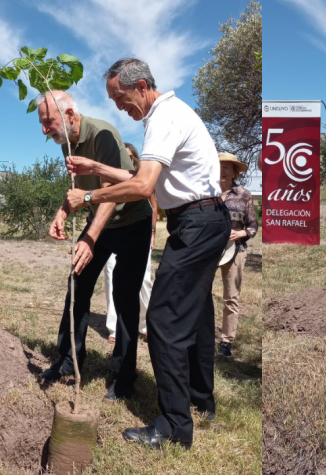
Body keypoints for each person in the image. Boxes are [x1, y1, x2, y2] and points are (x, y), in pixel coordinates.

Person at [64, 58, 229, 449]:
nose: (119, 107)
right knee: (197, 312)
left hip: (197, 223)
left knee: (164, 319)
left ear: (141, 86)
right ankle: (201, 400)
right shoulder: (171, 113)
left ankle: (174, 426)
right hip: (205, 219)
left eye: (120, 97)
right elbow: (146, 177)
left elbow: (142, 188)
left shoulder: (162, 117)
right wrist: (96, 165)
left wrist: (88, 194)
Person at [38, 91, 154, 406]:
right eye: (43, 124)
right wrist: (62, 212)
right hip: (99, 223)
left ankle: (124, 377)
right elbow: (78, 191)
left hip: (131, 223)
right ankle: (68, 363)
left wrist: (90, 238)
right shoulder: (66, 142)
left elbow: (113, 191)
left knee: (125, 297)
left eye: (48, 122)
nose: (44, 130)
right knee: (77, 284)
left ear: (70, 114)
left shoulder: (104, 134)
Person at [104, 143, 156, 343]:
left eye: (130, 158)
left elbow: (152, 204)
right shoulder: (110, 178)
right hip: (112, 231)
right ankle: (114, 328)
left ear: (135, 159)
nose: (127, 161)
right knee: (111, 277)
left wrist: (152, 233)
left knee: (144, 280)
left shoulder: (142, 179)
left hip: (138, 232)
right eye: (123, 158)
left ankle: (145, 324)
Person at [216, 152, 257, 358]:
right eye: (219, 165)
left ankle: (226, 340)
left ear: (234, 172)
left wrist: (240, 233)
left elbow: (253, 225)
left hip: (235, 250)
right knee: (199, 292)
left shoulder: (244, 194)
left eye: (227, 167)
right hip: (208, 250)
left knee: (231, 297)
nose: (222, 170)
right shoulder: (207, 192)